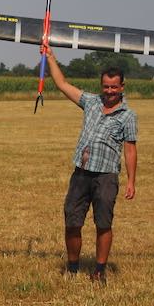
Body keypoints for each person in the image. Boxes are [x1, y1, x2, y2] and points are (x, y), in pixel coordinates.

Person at [45, 47, 137, 284]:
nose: (109, 91)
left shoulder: (128, 115)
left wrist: (131, 181)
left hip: (106, 176)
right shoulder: (91, 102)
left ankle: (99, 270)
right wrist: (50, 57)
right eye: (105, 86)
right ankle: (73, 267)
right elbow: (62, 84)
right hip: (81, 173)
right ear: (101, 86)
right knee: (72, 221)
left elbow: (130, 149)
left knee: (103, 224)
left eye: (114, 87)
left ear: (122, 87)